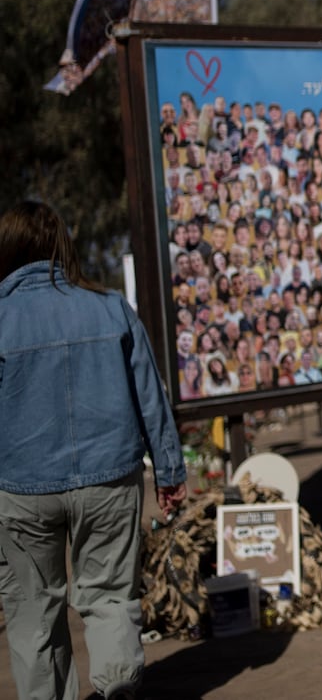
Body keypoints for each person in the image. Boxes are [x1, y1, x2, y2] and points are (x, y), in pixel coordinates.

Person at [0, 200, 188, 700]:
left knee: (33, 613)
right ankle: (117, 692)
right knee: (109, 601)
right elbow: (150, 393)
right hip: (110, 478)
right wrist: (169, 471)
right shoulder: (109, 308)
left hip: (21, 488)